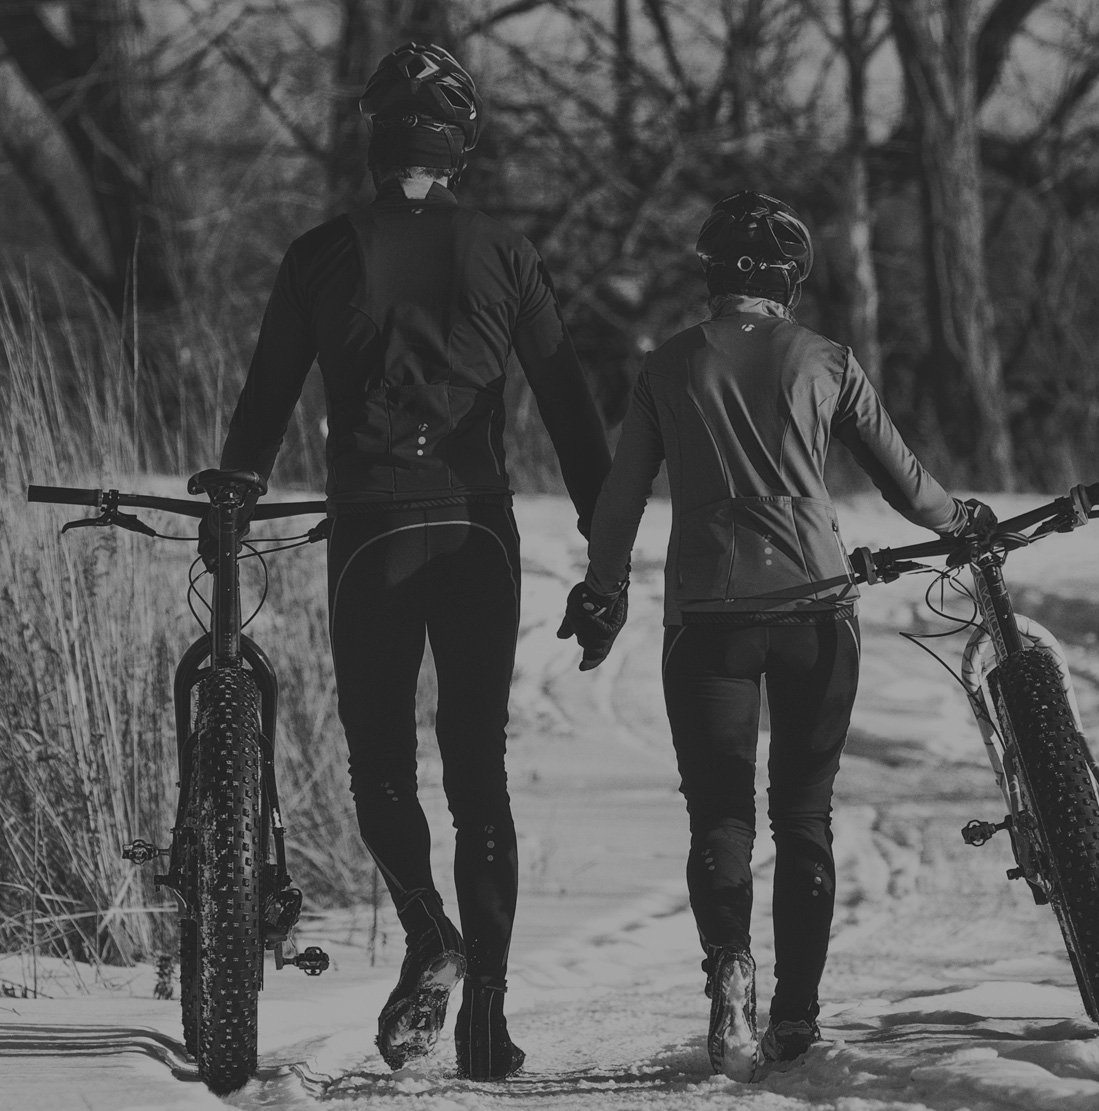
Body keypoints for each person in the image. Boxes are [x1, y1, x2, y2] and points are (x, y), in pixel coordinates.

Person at [210, 42, 611, 1080]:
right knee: (479, 770)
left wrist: (234, 494)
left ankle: (429, 929)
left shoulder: (318, 253)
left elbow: (265, 401)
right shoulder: (507, 253)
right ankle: (486, 1025)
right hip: (477, 530)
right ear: (461, 147)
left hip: (373, 530)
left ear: (375, 143)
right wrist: (605, 560)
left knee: (381, 763)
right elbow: (572, 415)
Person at [557, 191, 995, 1078]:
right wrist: (962, 520)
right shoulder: (827, 360)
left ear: (712, 277)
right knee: (803, 815)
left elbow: (620, 497)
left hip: (708, 618)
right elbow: (908, 483)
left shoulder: (668, 365)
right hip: (816, 610)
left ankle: (729, 962)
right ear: (790, 280)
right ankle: (795, 1014)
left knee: (720, 812)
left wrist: (603, 592)